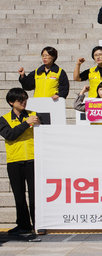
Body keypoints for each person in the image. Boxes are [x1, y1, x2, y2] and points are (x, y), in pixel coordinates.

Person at [0, 88, 40, 235]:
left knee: (35, 194)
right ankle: (23, 224)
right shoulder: (3, 119)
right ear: (11, 102)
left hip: (33, 159)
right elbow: (10, 135)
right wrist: (26, 123)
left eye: (25, 98)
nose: (24, 102)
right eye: (20, 100)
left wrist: (34, 122)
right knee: (19, 194)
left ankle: (38, 223)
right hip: (14, 161)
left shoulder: (34, 115)